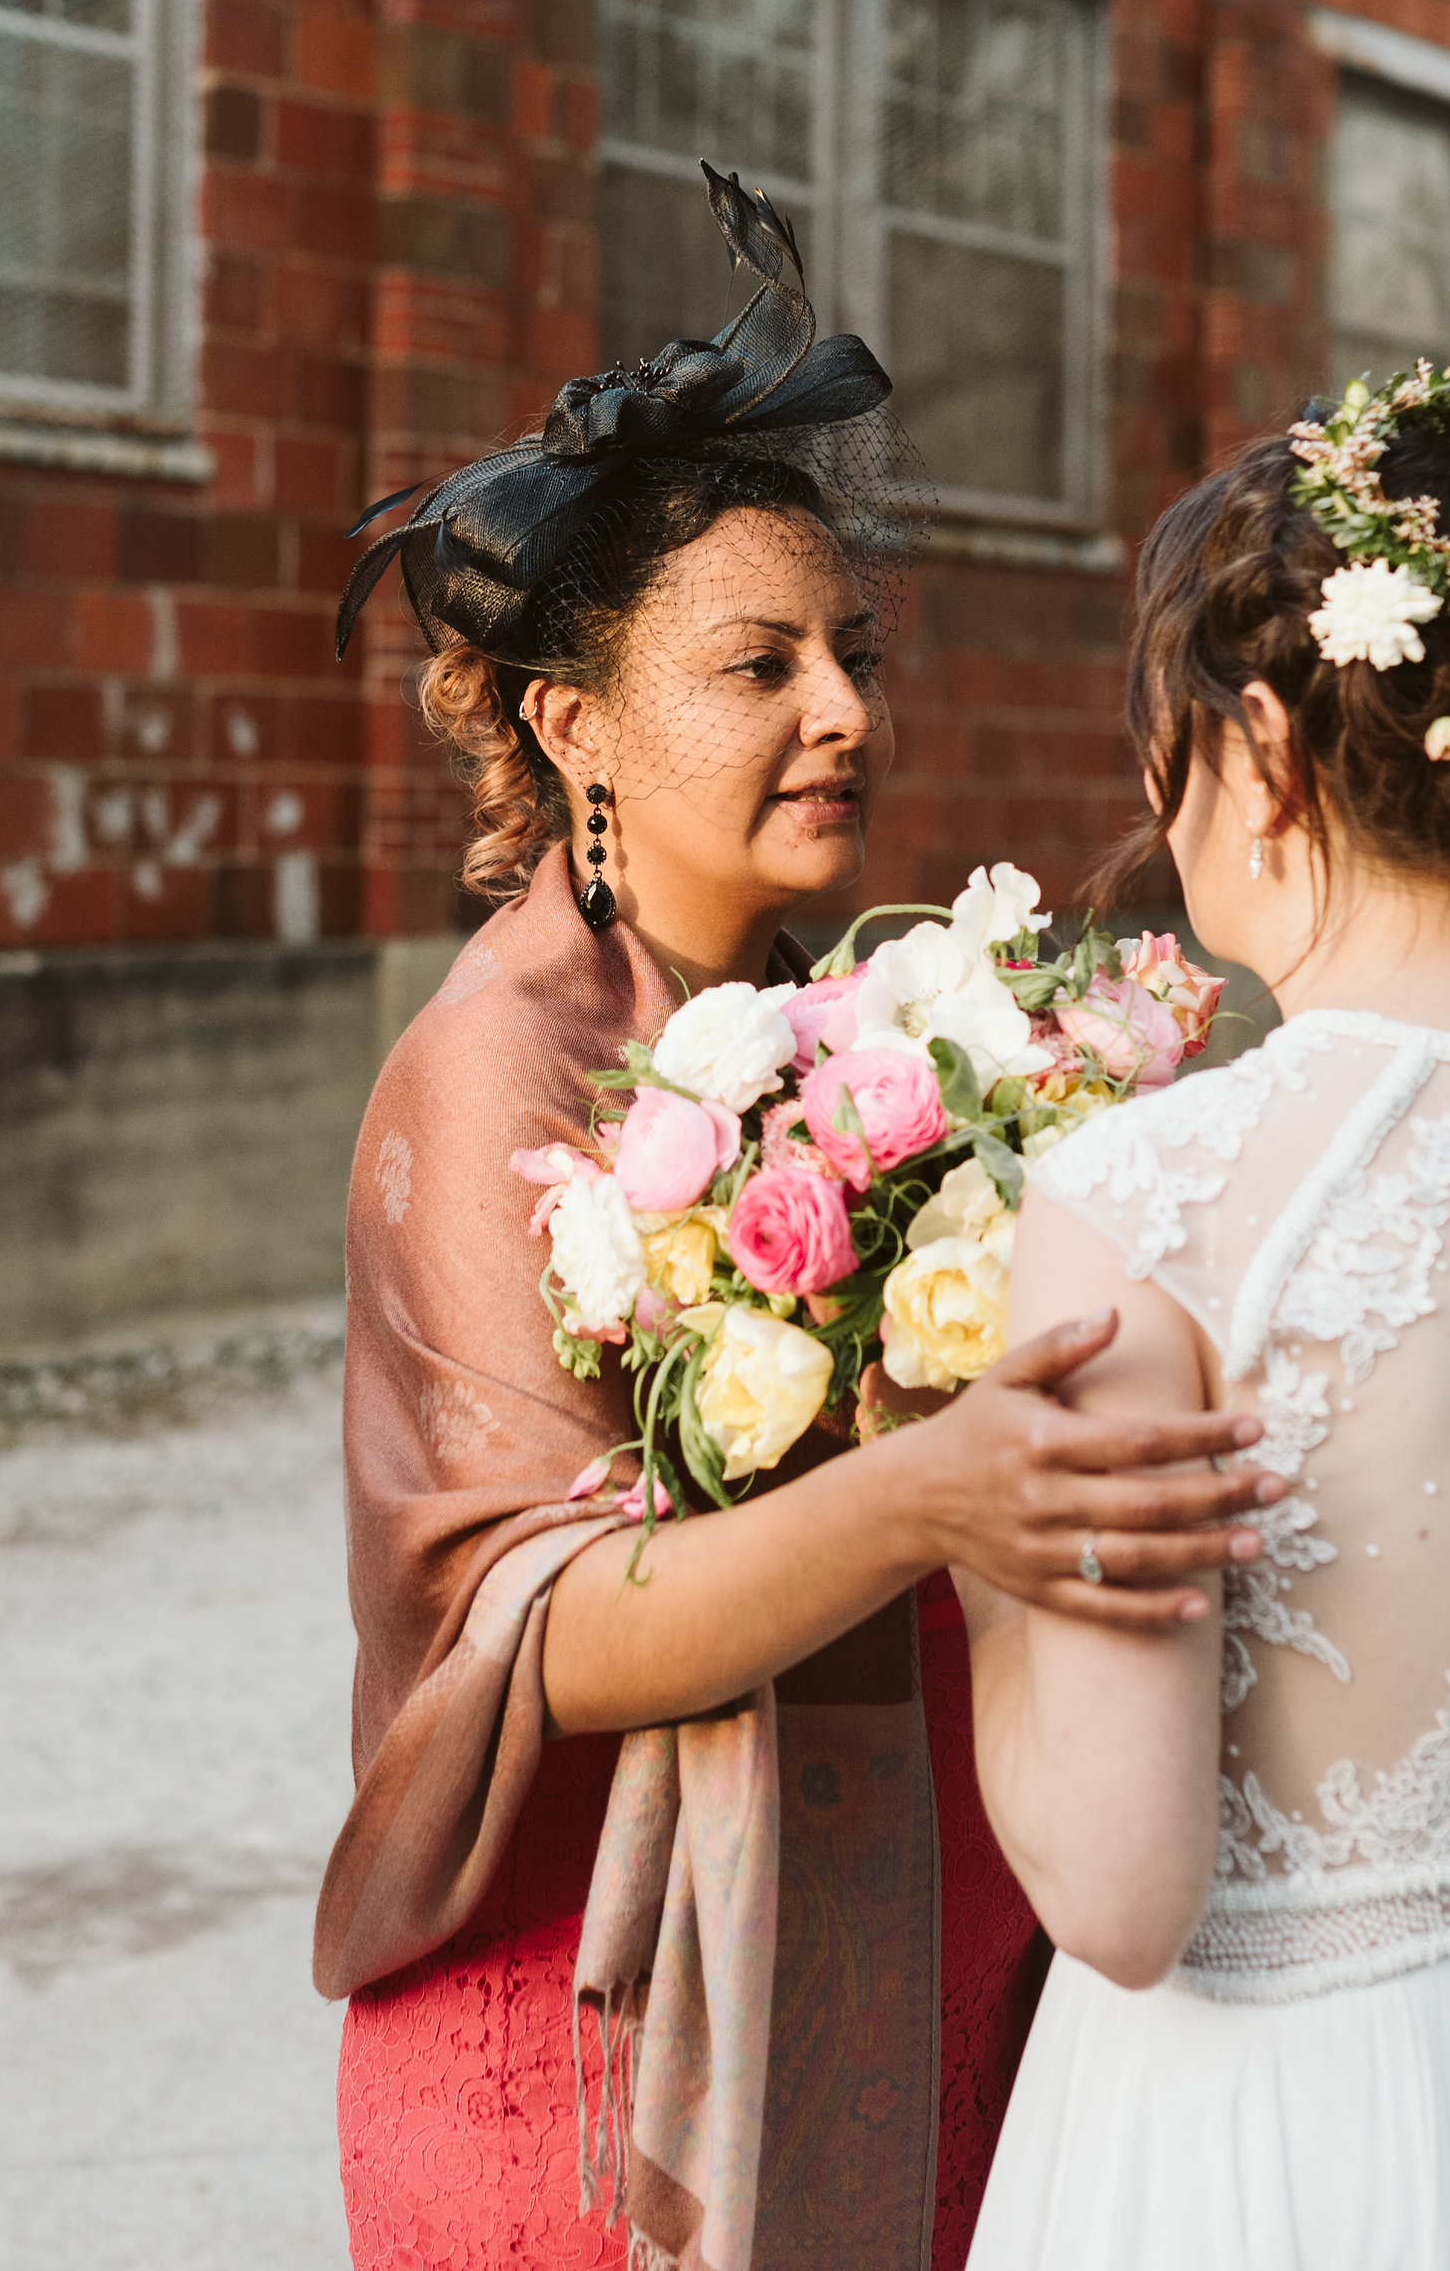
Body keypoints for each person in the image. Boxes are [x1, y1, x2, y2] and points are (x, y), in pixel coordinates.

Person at [315, 165, 1283, 2271]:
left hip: (896, 1995)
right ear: (571, 719)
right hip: (599, 2042)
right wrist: (937, 1490)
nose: (842, 705)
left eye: (850, 649)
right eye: (757, 663)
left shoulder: (847, 1020)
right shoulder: (487, 1070)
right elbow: (547, 1625)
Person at [964, 363, 1450, 2271]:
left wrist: (978, 1560)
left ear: (1263, 744)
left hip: (1270, 2141)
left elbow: (1122, 1892)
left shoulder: (1162, 1204)